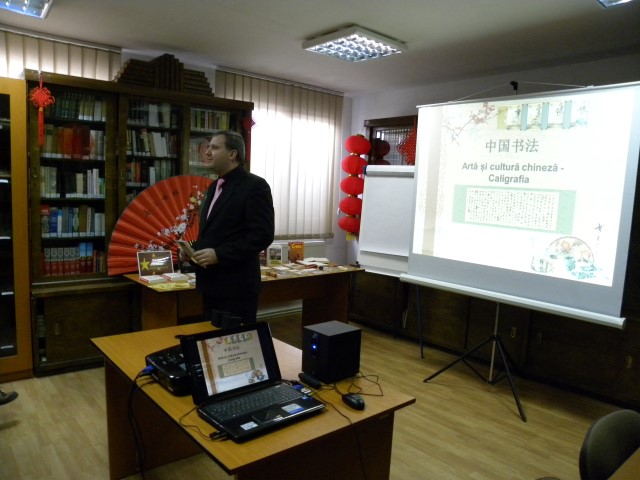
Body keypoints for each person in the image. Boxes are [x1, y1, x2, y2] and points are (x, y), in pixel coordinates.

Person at [182, 130, 274, 327]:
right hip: (210, 284)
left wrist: (219, 255)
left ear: (232, 154)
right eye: (208, 147)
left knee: (235, 343)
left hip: (237, 287)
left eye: (214, 147)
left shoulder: (255, 186)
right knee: (211, 341)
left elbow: (262, 235)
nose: (207, 152)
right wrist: (192, 251)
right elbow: (216, 232)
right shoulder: (213, 186)